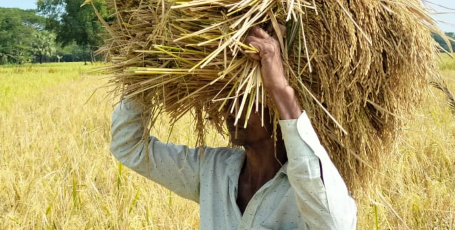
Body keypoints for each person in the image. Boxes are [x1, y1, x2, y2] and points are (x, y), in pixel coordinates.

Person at [110, 25, 357, 229]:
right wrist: (141, 66)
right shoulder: (212, 171)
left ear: (276, 108)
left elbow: (335, 226)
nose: (230, 111)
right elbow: (130, 148)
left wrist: (281, 88)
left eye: (245, 99)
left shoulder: (308, 187)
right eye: (228, 100)